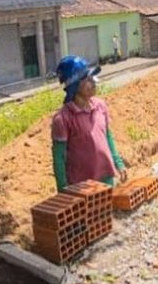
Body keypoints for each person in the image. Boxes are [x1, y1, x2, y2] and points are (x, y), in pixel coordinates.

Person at [51, 56, 128, 190]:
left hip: (106, 178)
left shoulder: (100, 106)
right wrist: (63, 190)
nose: (93, 82)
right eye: (87, 79)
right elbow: (59, 158)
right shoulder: (63, 119)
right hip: (82, 187)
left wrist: (118, 163)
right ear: (74, 85)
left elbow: (107, 137)